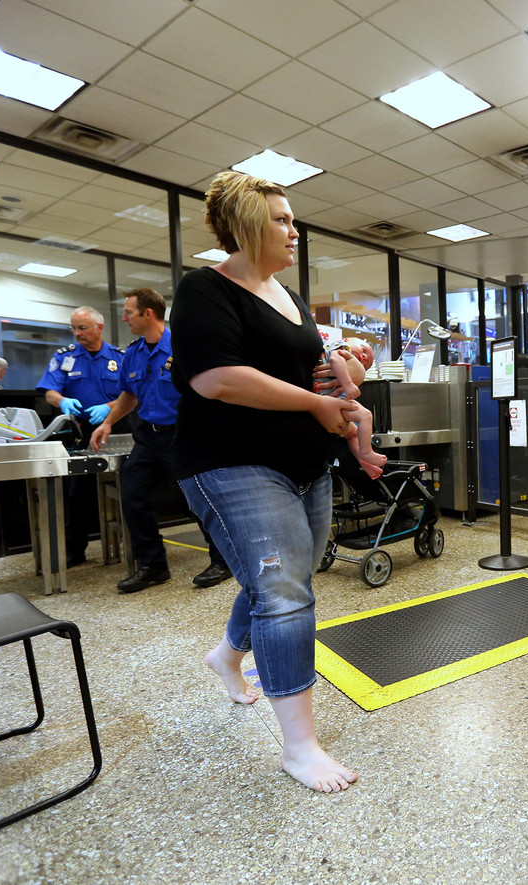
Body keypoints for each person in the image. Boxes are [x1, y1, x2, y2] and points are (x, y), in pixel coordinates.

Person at [171, 170, 361, 792]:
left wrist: (341, 377)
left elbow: (307, 374)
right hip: (231, 462)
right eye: (280, 219)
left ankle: (227, 654)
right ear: (248, 225)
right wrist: (312, 405)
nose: (293, 229)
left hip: (304, 464)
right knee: (283, 594)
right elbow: (216, 378)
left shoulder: (288, 295)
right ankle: (299, 747)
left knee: (282, 579)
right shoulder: (204, 288)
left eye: (292, 218)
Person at [90, 288, 232, 594]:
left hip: (183, 436)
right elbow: (128, 395)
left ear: (148, 314)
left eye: (129, 312)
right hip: (147, 438)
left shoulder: (182, 348)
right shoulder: (132, 353)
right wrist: (107, 422)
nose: (124, 317)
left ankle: (223, 561)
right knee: (133, 498)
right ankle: (153, 566)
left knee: (199, 502)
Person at [36, 306, 128, 567]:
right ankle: (75, 550)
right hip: (81, 433)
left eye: (82, 328)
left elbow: (131, 396)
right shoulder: (65, 357)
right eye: (74, 328)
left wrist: (108, 409)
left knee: (128, 490)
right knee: (78, 495)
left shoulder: (120, 357)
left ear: (99, 328)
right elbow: (50, 391)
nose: (77, 334)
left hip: (116, 428)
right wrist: (63, 401)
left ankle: (133, 546)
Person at [321, 338, 386, 479]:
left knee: (357, 429)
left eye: (365, 363)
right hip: (325, 399)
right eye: (364, 350)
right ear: (346, 340)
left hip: (333, 400)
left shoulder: (345, 377)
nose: (364, 357)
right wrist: (349, 383)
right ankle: (366, 453)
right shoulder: (341, 347)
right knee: (365, 417)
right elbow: (335, 360)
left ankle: (365, 458)